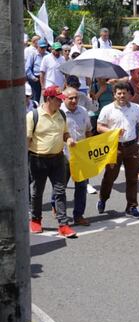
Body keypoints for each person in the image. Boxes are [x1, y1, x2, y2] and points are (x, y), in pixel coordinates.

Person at [27, 86, 77, 238]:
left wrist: (68, 139)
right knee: (37, 192)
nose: (61, 103)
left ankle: (63, 225)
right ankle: (36, 220)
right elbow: (27, 140)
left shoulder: (61, 114)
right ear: (49, 99)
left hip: (57, 158)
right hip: (37, 159)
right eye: (58, 99)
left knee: (60, 192)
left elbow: (65, 133)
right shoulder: (33, 116)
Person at [96, 82, 139, 219]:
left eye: (125, 93)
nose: (122, 95)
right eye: (119, 93)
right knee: (110, 176)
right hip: (114, 147)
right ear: (114, 94)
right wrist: (113, 132)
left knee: (132, 178)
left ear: (130, 94)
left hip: (132, 146)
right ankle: (103, 199)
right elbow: (99, 127)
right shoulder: (107, 109)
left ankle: (131, 206)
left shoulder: (136, 108)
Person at [26, 38, 47, 102]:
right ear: (37, 46)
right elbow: (27, 68)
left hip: (45, 79)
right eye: (41, 47)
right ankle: (34, 111)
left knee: (47, 97)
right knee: (35, 98)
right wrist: (33, 78)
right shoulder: (33, 54)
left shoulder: (48, 55)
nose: (43, 49)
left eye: (44, 47)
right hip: (36, 79)